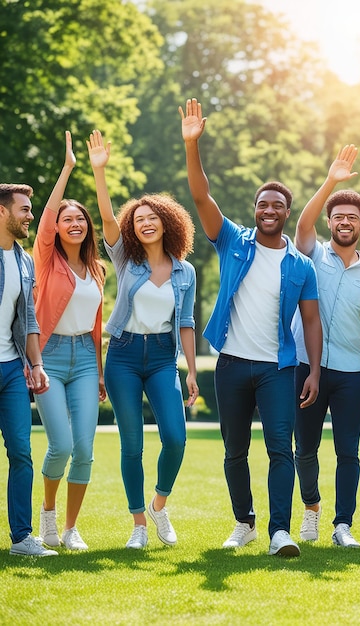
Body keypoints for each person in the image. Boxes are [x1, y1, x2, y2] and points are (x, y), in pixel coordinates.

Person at [180, 98, 322, 557]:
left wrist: (314, 371)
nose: (268, 209)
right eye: (262, 203)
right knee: (234, 451)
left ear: (286, 212)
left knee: (281, 448)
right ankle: (245, 521)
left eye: (277, 205)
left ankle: (280, 531)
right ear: (255, 209)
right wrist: (192, 145)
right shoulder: (232, 241)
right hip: (232, 364)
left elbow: (313, 321)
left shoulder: (301, 266)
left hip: (279, 368)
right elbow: (201, 196)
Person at [88, 129, 199, 550]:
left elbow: (185, 323)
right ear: (133, 227)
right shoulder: (125, 259)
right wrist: (101, 173)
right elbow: (106, 219)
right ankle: (138, 524)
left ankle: (158, 504)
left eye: (153, 217)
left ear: (167, 223)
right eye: (139, 219)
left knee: (175, 437)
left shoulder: (185, 272)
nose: (145, 222)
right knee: (131, 442)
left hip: (161, 360)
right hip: (123, 357)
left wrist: (190, 370)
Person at [292, 145, 360, 548]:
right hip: (304, 366)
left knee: (349, 452)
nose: (345, 222)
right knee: (305, 448)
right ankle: (311, 510)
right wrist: (331, 180)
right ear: (330, 221)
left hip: (350, 372)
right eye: (339, 216)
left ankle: (342, 525)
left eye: (352, 217)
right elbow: (302, 223)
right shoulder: (312, 254)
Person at [34, 131, 106, 551]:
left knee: (84, 449)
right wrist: (67, 169)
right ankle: (47, 513)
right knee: (60, 444)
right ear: (58, 229)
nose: (74, 223)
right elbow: (42, 224)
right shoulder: (47, 260)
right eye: (67, 219)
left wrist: (96, 372)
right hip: (50, 356)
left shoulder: (96, 269)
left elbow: (95, 324)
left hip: (83, 360)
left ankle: (70, 527)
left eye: (80, 218)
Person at [0, 183, 56, 556]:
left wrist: (36, 364)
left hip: (11, 369)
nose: (30, 216)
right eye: (23, 209)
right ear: (2, 212)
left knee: (22, 452)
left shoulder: (23, 260)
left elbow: (29, 319)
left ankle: (22, 537)